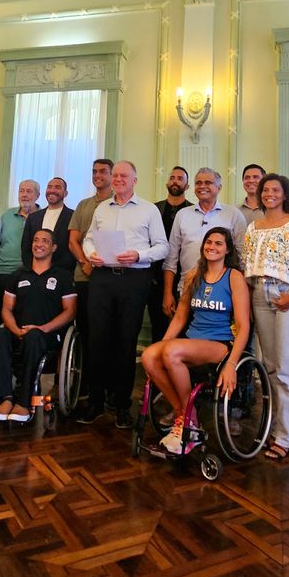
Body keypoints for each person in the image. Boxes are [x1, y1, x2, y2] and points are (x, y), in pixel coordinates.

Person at [141, 227, 250, 454]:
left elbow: (243, 326)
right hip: (191, 342)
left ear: (227, 249)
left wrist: (231, 364)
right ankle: (185, 416)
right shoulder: (194, 275)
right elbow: (180, 317)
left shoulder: (234, 277)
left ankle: (186, 423)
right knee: (149, 355)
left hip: (220, 344)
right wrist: (161, 345)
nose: (212, 246)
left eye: (218, 243)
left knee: (171, 352)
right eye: (209, 242)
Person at [80, 160, 168, 428]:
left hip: (134, 279)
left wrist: (139, 255)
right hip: (102, 278)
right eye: (115, 175)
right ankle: (95, 401)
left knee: (125, 342)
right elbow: (88, 239)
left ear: (134, 180)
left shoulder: (149, 210)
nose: (118, 179)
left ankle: (121, 405)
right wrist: (89, 253)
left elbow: (162, 247)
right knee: (97, 339)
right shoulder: (101, 209)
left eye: (123, 175)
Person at [243, 174, 289, 460]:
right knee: (270, 367)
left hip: (288, 294)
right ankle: (275, 428)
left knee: (288, 369)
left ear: (286, 194)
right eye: (266, 190)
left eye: (276, 190)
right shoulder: (253, 228)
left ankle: (287, 437)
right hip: (259, 294)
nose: (269, 194)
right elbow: (250, 268)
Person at [0, 228, 77, 423]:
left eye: (45, 241)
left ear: (53, 247)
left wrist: (42, 329)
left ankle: (23, 401)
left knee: (34, 337)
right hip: (18, 331)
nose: (39, 244)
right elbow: (6, 310)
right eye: (36, 240)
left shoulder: (62, 277)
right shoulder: (18, 275)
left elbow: (70, 311)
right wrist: (16, 330)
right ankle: (5, 398)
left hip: (47, 335)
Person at [162, 167, 246, 324]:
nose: (202, 186)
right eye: (198, 183)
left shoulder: (233, 215)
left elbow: (242, 257)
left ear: (219, 187)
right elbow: (171, 257)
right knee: (186, 339)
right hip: (187, 289)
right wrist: (168, 293)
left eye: (208, 182)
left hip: (223, 293)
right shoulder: (183, 215)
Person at [67, 158, 113, 415]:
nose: (98, 175)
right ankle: (83, 383)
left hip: (108, 278)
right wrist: (85, 262)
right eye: (94, 171)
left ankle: (106, 386)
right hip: (84, 277)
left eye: (103, 172)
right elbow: (73, 239)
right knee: (86, 332)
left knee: (107, 335)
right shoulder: (84, 205)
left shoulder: (117, 204)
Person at [0, 179, 40, 335]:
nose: (24, 195)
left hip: (28, 274)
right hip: (1, 273)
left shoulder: (43, 217)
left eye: (29, 191)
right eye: (21, 191)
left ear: (37, 195)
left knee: (23, 315)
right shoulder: (6, 216)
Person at [148, 166, 192, 342]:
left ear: (187, 186)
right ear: (167, 182)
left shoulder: (191, 212)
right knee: (157, 326)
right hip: (155, 277)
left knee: (183, 327)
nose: (175, 181)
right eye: (172, 177)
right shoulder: (153, 210)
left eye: (180, 178)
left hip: (184, 277)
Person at [22, 176, 73, 270]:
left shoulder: (73, 216)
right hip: (34, 273)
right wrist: (30, 270)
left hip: (62, 273)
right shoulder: (33, 217)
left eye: (57, 187)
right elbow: (26, 247)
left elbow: (72, 247)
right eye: (49, 187)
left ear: (65, 193)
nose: (52, 190)